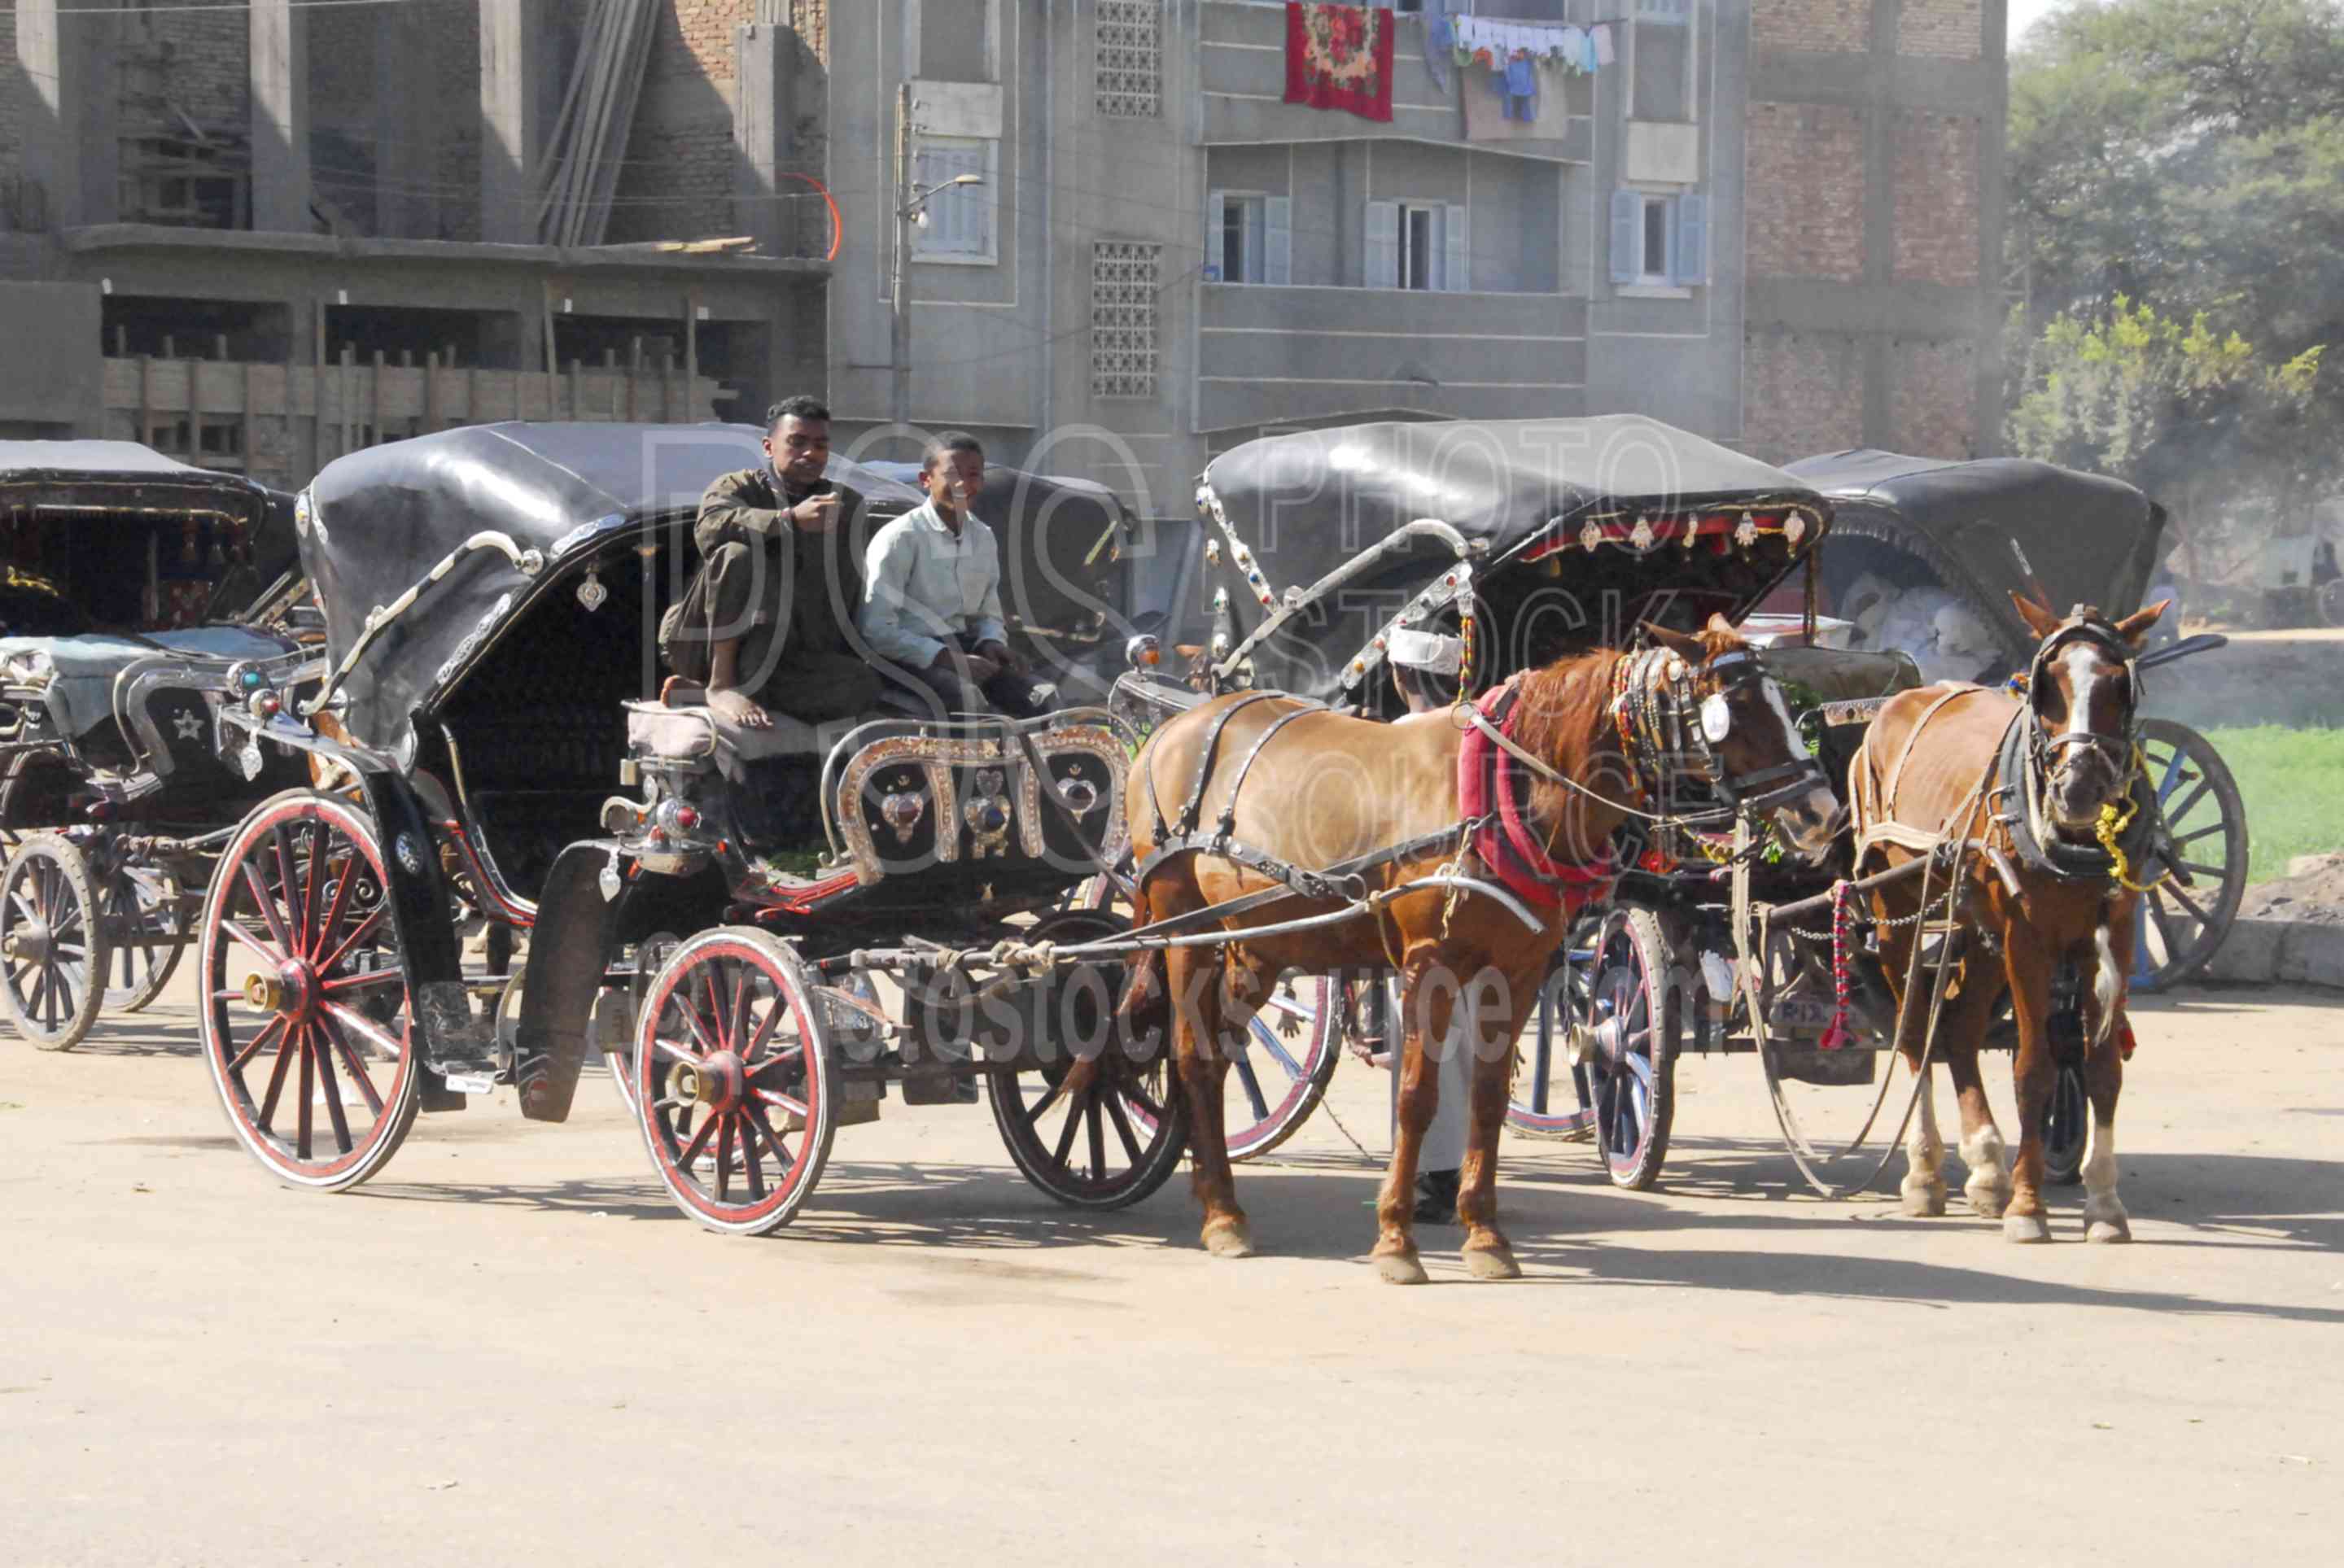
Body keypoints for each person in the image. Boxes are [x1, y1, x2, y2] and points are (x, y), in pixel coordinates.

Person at [667, 395, 878, 727]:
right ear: (769, 447)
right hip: (713, 644)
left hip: (786, 654)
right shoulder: (738, 486)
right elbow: (710, 529)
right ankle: (720, 684)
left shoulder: (847, 504)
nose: (810, 453)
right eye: (797, 443)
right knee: (737, 554)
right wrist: (788, 520)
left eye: (821, 445)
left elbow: (851, 590)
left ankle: (723, 693)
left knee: (862, 685)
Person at [859, 431, 1052, 718]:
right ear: (927, 480)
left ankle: (1034, 764)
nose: (963, 484)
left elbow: (989, 612)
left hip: (960, 647)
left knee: (1039, 698)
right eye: (952, 474)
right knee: (969, 701)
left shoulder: (983, 537)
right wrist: (946, 659)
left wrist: (991, 642)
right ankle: (971, 766)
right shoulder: (900, 537)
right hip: (903, 657)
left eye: (973, 474)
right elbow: (877, 630)